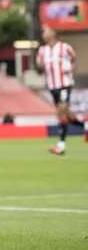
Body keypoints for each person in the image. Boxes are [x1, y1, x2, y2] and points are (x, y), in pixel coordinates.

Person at [36, 25, 85, 155]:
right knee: (67, 116)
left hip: (65, 83)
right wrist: (40, 67)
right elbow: (40, 71)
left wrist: (71, 69)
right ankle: (86, 126)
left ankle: (61, 146)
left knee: (61, 110)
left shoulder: (65, 47)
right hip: (52, 86)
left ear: (52, 34)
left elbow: (74, 61)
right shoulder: (42, 50)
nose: (43, 35)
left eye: (45, 32)